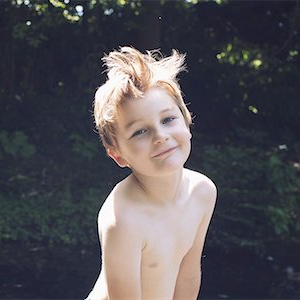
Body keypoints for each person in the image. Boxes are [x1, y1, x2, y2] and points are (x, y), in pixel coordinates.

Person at [86, 46, 217, 300]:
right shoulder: (123, 220)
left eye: (168, 120)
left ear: (187, 119)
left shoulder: (202, 192)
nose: (161, 136)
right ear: (118, 155)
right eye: (140, 132)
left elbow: (188, 275)